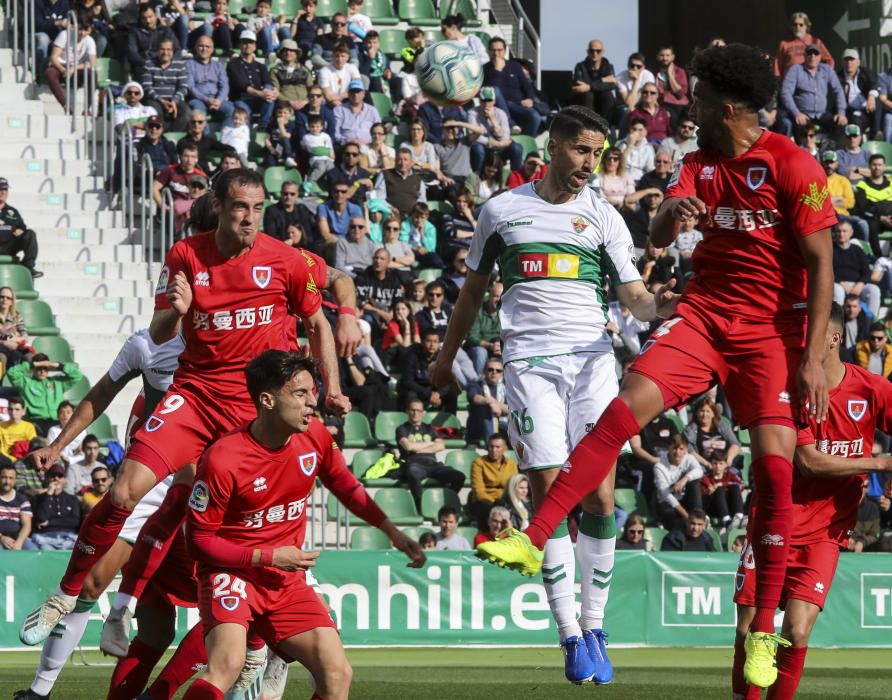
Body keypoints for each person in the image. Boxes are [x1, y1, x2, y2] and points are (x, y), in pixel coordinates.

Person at [475, 44, 836, 691]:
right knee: (619, 415)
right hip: (703, 318)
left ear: (725, 107)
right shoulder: (696, 164)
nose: (686, 108)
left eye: (696, 99)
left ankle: (761, 635)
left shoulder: (793, 165)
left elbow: (821, 263)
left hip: (769, 337)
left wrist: (811, 357)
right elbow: (662, 237)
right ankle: (533, 536)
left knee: (778, 476)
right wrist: (670, 218)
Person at [18, 169, 350, 649]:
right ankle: (64, 597)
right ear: (218, 206)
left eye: (257, 208)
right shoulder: (186, 255)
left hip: (253, 411)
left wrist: (330, 386)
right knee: (122, 493)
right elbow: (157, 333)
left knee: (253, 520)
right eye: (239, 207)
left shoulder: (285, 259)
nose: (249, 218)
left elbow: (319, 321)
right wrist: (178, 308)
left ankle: (259, 642)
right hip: (196, 395)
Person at [431, 104, 677, 685]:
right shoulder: (502, 210)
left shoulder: (604, 217)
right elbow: (471, 293)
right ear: (553, 147)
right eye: (580, 151)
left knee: (595, 496)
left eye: (598, 154)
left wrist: (663, 306)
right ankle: (569, 633)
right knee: (549, 495)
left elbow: (635, 299)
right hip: (529, 363)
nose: (589, 164)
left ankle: (596, 625)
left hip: (593, 360)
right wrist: (446, 354)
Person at [182, 350, 423, 699]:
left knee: (337, 672)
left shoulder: (315, 437)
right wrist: (268, 557)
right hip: (232, 572)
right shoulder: (223, 458)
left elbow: (345, 485)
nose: (313, 403)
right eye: (300, 394)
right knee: (227, 663)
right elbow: (199, 541)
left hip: (285, 579)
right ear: (266, 400)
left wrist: (391, 530)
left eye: (313, 392)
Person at [732, 303, 892, 700]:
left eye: (810, 336)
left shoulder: (873, 388)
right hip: (774, 519)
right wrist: (880, 463)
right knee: (750, 630)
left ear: (834, 338)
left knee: (798, 630)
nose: (800, 345)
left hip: (826, 531)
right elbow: (809, 461)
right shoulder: (791, 390)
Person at [395, 399, 465, 508]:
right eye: (412, 410)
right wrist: (430, 443)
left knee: (459, 477)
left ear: (423, 413)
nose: (415, 413)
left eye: (419, 410)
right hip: (414, 463)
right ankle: (420, 506)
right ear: (407, 411)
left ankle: (443, 503)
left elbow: (441, 446)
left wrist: (418, 449)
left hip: (433, 464)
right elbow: (408, 446)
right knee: (412, 474)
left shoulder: (430, 428)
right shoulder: (402, 429)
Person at [780, 44, 847, 143]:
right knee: (800, 129)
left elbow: (838, 90)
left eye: (816, 53)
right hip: (802, 114)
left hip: (821, 114)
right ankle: (803, 155)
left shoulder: (827, 69)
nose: (813, 56)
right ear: (804, 56)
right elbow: (785, 92)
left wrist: (841, 112)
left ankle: (830, 153)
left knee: (840, 124)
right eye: (809, 53)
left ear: (820, 57)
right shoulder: (796, 70)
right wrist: (796, 113)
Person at [6, 355, 83, 436]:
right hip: (35, 421)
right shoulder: (25, 383)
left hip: (56, 421)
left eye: (45, 368)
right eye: (39, 368)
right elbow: (11, 373)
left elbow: (77, 375)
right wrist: (32, 364)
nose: (42, 371)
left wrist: (58, 365)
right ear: (33, 369)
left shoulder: (57, 382)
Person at [483, 36, 541, 137]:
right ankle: (510, 124)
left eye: (499, 50)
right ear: (489, 51)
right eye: (493, 50)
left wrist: (530, 99)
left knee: (535, 117)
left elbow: (527, 86)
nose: (496, 53)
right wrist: (497, 70)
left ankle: (525, 141)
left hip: (516, 104)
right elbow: (488, 90)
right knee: (494, 90)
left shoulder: (514, 66)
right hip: (496, 106)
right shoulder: (485, 69)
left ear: (505, 51)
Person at [43, 12, 96, 110]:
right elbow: (54, 57)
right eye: (80, 29)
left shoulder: (90, 40)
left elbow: (92, 63)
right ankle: (65, 105)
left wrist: (74, 68)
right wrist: (62, 69)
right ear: (74, 27)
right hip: (61, 64)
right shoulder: (64, 35)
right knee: (49, 73)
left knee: (92, 73)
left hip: (75, 67)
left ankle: (88, 107)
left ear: (90, 30)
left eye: (85, 30)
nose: (82, 33)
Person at [227, 31, 277, 130]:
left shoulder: (261, 66)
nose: (248, 45)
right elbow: (240, 84)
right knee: (244, 112)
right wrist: (260, 93)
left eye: (251, 43)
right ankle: (246, 134)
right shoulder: (233, 64)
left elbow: (268, 82)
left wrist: (271, 91)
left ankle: (262, 127)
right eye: (245, 42)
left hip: (259, 98)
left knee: (269, 97)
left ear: (255, 46)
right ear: (240, 45)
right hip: (241, 98)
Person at [468, 433, 518, 529]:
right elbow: (478, 492)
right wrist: (494, 502)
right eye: (491, 446)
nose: (494, 450)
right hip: (484, 501)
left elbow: (514, 486)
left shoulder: (512, 464)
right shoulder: (478, 463)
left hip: (505, 500)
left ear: (505, 448)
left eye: (497, 447)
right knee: (489, 512)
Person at [468, 86, 522, 173]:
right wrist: (494, 143)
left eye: (489, 100)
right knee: (477, 148)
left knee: (517, 148)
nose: (486, 103)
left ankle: (515, 178)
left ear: (494, 101)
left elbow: (505, 137)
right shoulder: (472, 113)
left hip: (500, 147)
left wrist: (494, 121)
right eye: (483, 100)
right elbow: (473, 136)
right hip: (484, 147)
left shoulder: (501, 113)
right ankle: (476, 178)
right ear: (479, 101)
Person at [832, 219, 880, 317]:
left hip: (857, 285)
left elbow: (866, 271)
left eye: (844, 231)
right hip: (838, 284)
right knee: (837, 290)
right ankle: (838, 321)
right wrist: (842, 284)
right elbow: (828, 271)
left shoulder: (857, 250)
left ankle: (870, 321)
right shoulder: (831, 249)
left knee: (873, 290)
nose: (841, 234)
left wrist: (860, 285)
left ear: (851, 233)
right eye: (838, 231)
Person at [654, 434, 704, 527]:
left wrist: (684, 479)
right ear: (669, 448)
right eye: (674, 449)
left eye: (681, 449)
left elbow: (699, 470)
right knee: (669, 512)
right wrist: (687, 516)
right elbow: (665, 494)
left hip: (683, 499)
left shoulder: (689, 458)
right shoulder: (659, 466)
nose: (677, 452)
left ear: (686, 449)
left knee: (695, 482)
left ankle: (698, 516)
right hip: (667, 503)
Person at [28, 464, 81, 550]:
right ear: (47, 479)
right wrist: (49, 494)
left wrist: (49, 523)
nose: (56, 479)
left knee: (78, 550)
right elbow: (41, 518)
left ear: (64, 480)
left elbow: (74, 522)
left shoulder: (72, 499)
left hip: (69, 537)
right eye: (52, 476)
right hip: (45, 537)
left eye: (60, 476)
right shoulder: (38, 498)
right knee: (46, 551)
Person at [186, 35, 235, 126]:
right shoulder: (189, 64)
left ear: (212, 49)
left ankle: (225, 139)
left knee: (231, 111)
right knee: (198, 113)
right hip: (198, 99)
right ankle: (204, 139)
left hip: (217, 100)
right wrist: (206, 100)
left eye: (207, 46)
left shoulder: (218, 66)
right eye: (201, 46)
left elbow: (224, 86)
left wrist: (219, 100)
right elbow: (191, 87)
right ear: (196, 47)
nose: (204, 49)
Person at [141, 38, 189, 132]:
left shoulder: (179, 65)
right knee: (156, 112)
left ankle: (172, 137)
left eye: (168, 50)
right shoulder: (149, 64)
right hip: (155, 99)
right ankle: (160, 137)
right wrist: (161, 101)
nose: (165, 52)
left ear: (173, 51)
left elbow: (183, 87)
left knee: (187, 113)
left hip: (174, 99)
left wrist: (174, 101)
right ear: (157, 51)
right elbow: (147, 87)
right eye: (162, 49)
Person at [683, 395, 741, 470]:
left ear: (713, 413)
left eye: (708, 411)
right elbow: (689, 451)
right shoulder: (690, 430)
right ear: (696, 413)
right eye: (702, 411)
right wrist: (708, 465)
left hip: (724, 465)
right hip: (702, 466)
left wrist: (728, 460)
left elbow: (735, 444)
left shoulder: (722, 426)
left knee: (734, 471)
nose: (704, 414)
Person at [0, 179, 41, 278]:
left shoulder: (12, 211)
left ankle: (28, 266)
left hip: (8, 246)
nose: (3, 192)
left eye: (5, 189)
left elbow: (22, 227)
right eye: (0, 189)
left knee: (30, 234)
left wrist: (20, 230)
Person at [854, 153, 892, 257]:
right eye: (874, 165)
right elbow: (863, 208)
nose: (877, 168)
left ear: (884, 166)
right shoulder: (862, 185)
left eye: (880, 165)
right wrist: (881, 217)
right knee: (871, 224)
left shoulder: (891, 182)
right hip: (875, 219)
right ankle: (877, 258)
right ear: (869, 166)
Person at [570, 39, 618, 122]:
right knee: (587, 95)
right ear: (587, 52)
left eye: (598, 51)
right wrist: (602, 80)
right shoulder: (580, 66)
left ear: (603, 52)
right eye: (592, 51)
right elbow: (579, 84)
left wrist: (589, 86)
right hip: (585, 102)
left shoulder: (608, 67)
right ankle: (589, 125)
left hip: (602, 101)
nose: (594, 53)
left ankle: (606, 127)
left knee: (607, 94)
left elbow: (612, 85)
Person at [700, 448, 746, 531]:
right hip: (714, 508)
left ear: (725, 464)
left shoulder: (729, 475)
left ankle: (739, 517)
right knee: (719, 490)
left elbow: (741, 485)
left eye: (721, 464)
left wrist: (722, 483)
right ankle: (727, 522)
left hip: (729, 506)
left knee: (734, 486)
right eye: (715, 463)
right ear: (711, 463)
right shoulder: (706, 478)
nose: (717, 466)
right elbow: (703, 494)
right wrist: (711, 490)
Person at [374, 148, 426, 218]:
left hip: (411, 219)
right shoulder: (385, 174)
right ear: (395, 161)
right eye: (399, 159)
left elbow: (422, 201)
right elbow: (378, 198)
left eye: (405, 160)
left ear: (411, 162)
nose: (402, 163)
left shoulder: (418, 179)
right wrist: (390, 208)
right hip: (390, 215)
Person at [466, 357, 509, 443]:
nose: (494, 372)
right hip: (479, 427)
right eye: (490, 369)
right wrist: (491, 404)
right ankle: (491, 445)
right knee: (486, 409)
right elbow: (474, 398)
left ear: (502, 374)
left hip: (502, 424)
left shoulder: (507, 388)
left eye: (498, 371)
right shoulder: (476, 384)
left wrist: (496, 404)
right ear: (485, 371)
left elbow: (511, 409)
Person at [465, 279, 502, 375]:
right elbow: (472, 338)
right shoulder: (477, 310)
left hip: (498, 347)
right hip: (478, 347)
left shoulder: (508, 312)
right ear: (489, 296)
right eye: (496, 296)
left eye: (502, 297)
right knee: (481, 353)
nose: (499, 300)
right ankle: (477, 384)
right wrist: (490, 345)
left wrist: (500, 345)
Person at [835, 48, 877, 135]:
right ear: (842, 62)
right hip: (851, 111)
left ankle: (876, 133)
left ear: (858, 62)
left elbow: (874, 85)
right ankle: (857, 145)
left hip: (868, 107)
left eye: (852, 59)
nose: (849, 63)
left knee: (878, 102)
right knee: (855, 121)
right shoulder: (837, 77)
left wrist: (871, 97)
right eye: (846, 60)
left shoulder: (865, 72)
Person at [333, 80, 380, 147]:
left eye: (358, 91)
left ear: (364, 94)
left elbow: (379, 131)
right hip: (347, 146)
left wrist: (368, 142)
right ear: (348, 94)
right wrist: (348, 141)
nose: (355, 94)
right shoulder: (339, 110)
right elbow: (335, 134)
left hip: (368, 146)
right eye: (353, 91)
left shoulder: (372, 111)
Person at [653, 46, 690, 126]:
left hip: (681, 105)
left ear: (673, 57)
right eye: (662, 55)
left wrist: (670, 75)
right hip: (664, 105)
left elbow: (680, 94)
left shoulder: (680, 71)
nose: (665, 58)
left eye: (667, 55)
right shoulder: (653, 72)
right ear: (657, 57)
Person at [0, 462, 32, 551]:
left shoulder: (22, 500)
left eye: (11, 478)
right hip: (0, 538)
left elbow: (27, 525)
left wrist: (19, 543)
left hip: (18, 538)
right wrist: (2, 538)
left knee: (33, 551)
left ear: (15, 480)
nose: (7, 481)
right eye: (4, 477)